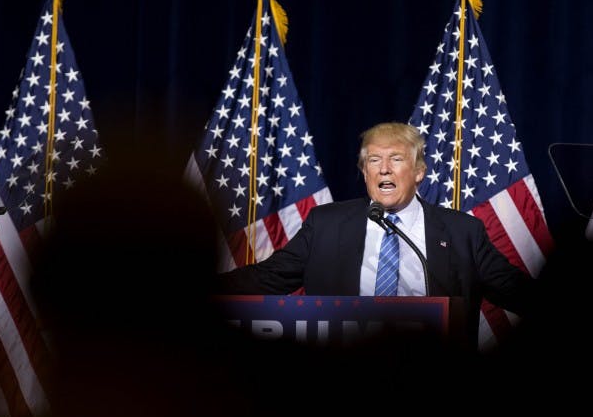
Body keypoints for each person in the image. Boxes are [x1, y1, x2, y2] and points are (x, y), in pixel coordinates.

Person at [216, 121, 535, 347]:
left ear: (419, 172)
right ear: (365, 171)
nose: (384, 169)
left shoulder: (461, 231)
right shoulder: (326, 224)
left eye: (396, 159)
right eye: (373, 160)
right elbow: (268, 278)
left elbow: (515, 291)